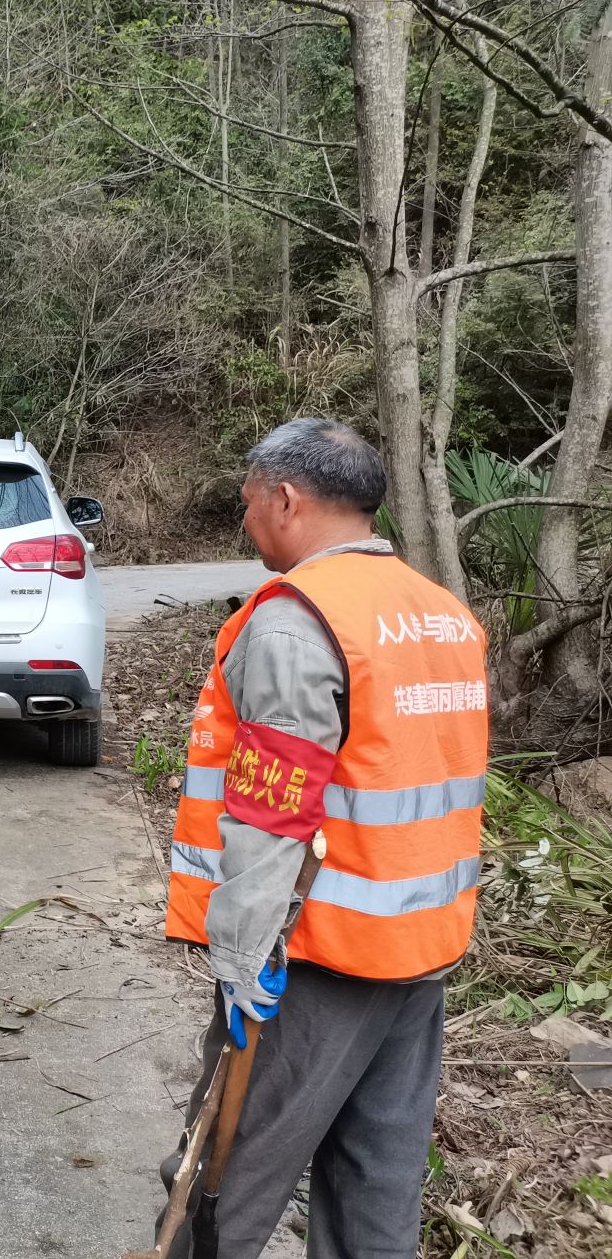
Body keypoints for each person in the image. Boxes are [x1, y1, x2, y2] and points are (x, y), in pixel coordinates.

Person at [157, 418, 489, 1257]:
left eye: (246, 504)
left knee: (227, 1176)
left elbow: (272, 812)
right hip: (420, 945)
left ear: (286, 499)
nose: (245, 522)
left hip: (314, 957)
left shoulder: (297, 622)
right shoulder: (441, 613)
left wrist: (238, 962)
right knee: (374, 1181)